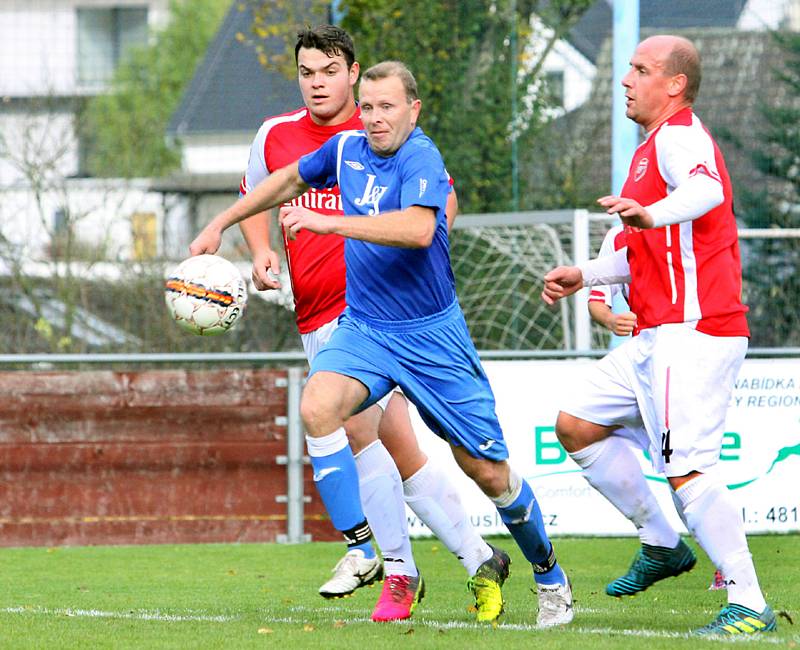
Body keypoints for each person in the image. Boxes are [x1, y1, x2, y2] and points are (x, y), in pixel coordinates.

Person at [192, 59, 574, 629]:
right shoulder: (347, 150)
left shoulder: (421, 156)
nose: (374, 119)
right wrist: (222, 222)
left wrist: (331, 224)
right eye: (367, 107)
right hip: (366, 328)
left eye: (387, 107)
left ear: (412, 110)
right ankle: (364, 550)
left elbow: (419, 230)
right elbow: (289, 179)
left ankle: (548, 573)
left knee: (488, 471)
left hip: (430, 336)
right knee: (318, 407)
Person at [236, 26, 510, 623]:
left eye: (329, 72)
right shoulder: (276, 135)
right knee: (396, 447)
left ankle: (389, 567)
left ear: (353, 73)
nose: (317, 83)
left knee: (363, 435)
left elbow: (442, 208)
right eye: (307, 72)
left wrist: (409, 244)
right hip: (313, 310)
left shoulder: (381, 132)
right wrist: (260, 249)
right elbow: (256, 195)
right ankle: (476, 556)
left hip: (371, 314)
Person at [542, 35, 775, 636]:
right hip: (655, 334)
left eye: (641, 70)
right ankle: (663, 543)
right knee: (576, 424)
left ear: (674, 85)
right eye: (629, 69)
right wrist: (586, 274)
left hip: (694, 331)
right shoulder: (649, 149)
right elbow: (647, 249)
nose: (627, 80)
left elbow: (707, 192)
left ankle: (748, 604)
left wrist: (650, 213)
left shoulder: (680, 136)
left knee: (687, 472)